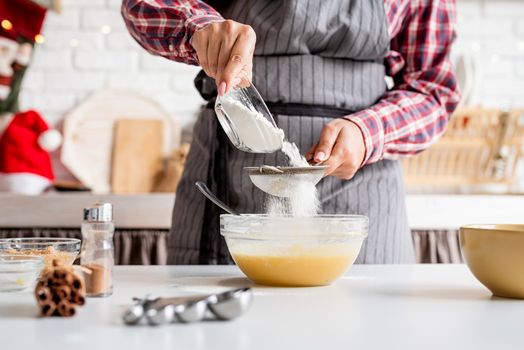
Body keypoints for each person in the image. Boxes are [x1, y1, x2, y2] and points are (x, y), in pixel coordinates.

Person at [122, 0, 460, 264]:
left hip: (364, 189)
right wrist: (200, 27)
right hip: (225, 180)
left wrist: (367, 132)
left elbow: (432, 90)